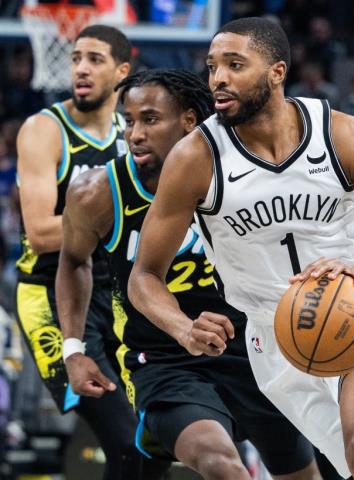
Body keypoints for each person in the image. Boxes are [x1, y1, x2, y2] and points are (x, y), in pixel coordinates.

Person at [129, 16, 354, 480]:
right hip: (271, 336)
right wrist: (181, 327)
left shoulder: (343, 135)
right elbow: (144, 276)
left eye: (235, 65)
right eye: (213, 66)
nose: (218, 78)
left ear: (276, 72)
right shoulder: (195, 158)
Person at [56, 68, 327, 480]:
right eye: (128, 121)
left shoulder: (245, 179)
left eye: (149, 119)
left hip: (257, 350)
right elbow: (73, 263)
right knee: (222, 465)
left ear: (188, 121)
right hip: (166, 360)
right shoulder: (96, 193)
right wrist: (74, 349)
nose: (135, 134)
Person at [14, 25, 156, 479]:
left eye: (95, 59)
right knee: (128, 440)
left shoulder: (131, 133)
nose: (80, 68)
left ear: (122, 71)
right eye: (76, 58)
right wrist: (117, 216)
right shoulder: (43, 130)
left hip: (115, 292)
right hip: (52, 293)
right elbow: (38, 232)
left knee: (154, 443)